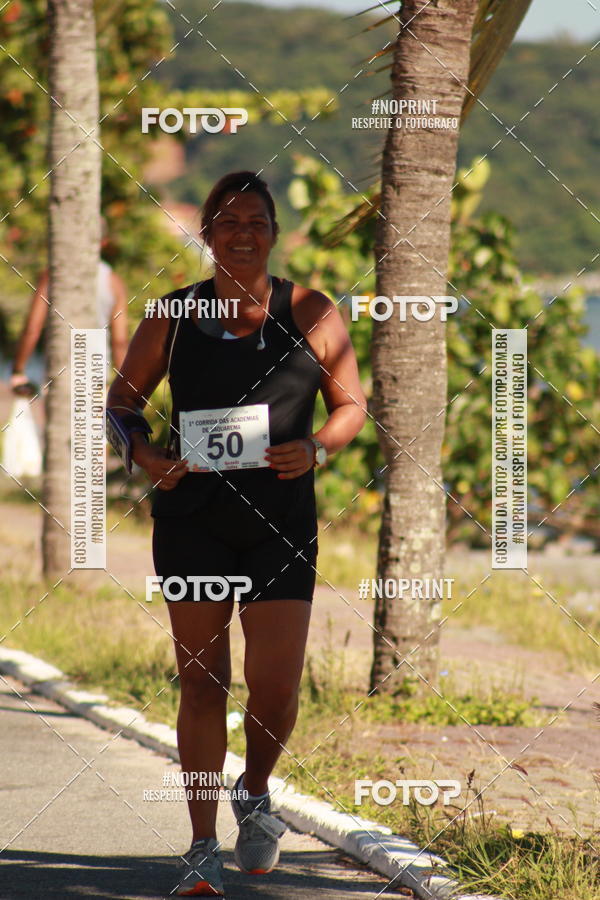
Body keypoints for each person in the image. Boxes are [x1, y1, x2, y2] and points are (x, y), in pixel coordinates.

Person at [106, 171, 366, 897]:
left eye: (256, 221)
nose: (242, 233)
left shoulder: (311, 310)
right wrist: (147, 455)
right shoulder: (172, 316)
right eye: (228, 222)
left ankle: (254, 791)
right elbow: (121, 403)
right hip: (193, 521)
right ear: (208, 235)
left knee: (276, 687)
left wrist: (316, 447)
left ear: (274, 234)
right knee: (201, 678)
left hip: (280, 522)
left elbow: (351, 408)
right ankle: (198, 844)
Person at [10, 226, 128, 391]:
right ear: (103, 242)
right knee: (90, 416)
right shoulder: (114, 282)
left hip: (59, 375)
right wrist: (125, 389)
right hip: (97, 375)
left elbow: (32, 327)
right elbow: (119, 342)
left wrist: (18, 369)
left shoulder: (54, 274)